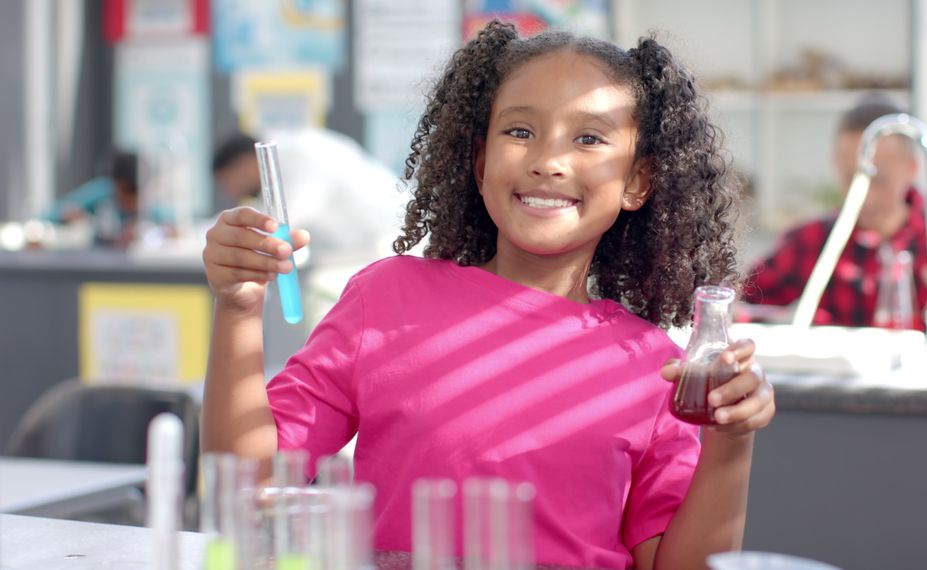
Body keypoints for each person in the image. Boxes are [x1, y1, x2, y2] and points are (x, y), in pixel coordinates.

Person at [201, 21, 774, 569]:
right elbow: (253, 485)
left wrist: (731, 442)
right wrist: (238, 309)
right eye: (519, 131)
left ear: (636, 182)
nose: (548, 161)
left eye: (590, 139)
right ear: (479, 162)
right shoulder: (385, 298)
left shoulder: (656, 368)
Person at [741, 94, 927, 330]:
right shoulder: (812, 241)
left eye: (880, 180)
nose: (865, 194)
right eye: (851, 178)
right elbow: (742, 304)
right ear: (835, 164)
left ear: (912, 168)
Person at [211, 127, 408, 263]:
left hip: (392, 247)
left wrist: (201, 237)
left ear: (244, 164)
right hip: (367, 253)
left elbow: (276, 227)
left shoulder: (299, 157)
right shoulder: (292, 154)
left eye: (227, 182)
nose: (230, 192)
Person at [42, 151, 170, 247]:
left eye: (135, 196)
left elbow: (175, 228)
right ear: (117, 185)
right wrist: (74, 217)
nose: (131, 202)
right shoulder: (102, 193)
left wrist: (146, 233)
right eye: (126, 193)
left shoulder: (150, 206)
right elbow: (53, 213)